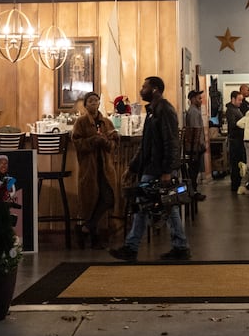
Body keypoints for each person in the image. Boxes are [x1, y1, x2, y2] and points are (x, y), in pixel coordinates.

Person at [109, 75, 189, 261]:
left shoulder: (164, 110)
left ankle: (176, 246)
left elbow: (171, 142)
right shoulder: (153, 111)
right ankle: (175, 246)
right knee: (152, 206)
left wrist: (167, 170)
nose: (141, 90)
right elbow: (146, 144)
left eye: (144, 87)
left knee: (164, 206)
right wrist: (133, 167)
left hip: (158, 167)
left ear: (154, 89)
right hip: (151, 166)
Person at [71, 91, 118, 249]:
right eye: (90, 101)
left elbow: (112, 144)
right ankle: (93, 235)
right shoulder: (81, 122)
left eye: (96, 101)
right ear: (85, 105)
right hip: (89, 168)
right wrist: (93, 140)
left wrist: (105, 141)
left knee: (108, 197)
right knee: (90, 200)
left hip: (105, 167)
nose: (94, 103)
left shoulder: (106, 122)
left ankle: (86, 227)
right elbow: (77, 143)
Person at [182, 89, 210, 201]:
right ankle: (192, 192)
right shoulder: (193, 112)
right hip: (195, 148)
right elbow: (195, 130)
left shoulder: (195, 111)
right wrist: (199, 146)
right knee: (193, 171)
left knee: (195, 171)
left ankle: (193, 191)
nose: (201, 100)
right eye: (199, 98)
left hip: (196, 147)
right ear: (192, 99)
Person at [223, 90, 245, 193]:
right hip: (235, 141)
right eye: (239, 100)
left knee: (238, 163)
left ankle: (237, 184)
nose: (241, 102)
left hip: (238, 141)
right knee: (236, 164)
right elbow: (233, 125)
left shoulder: (236, 109)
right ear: (233, 99)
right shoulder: (231, 110)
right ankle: (235, 185)